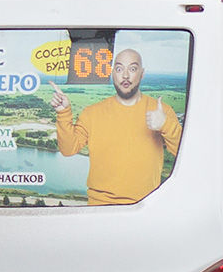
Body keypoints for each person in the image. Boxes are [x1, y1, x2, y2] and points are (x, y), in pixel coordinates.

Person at [51, 47, 182, 205]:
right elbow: (68, 149)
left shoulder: (162, 111)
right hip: (100, 209)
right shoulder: (91, 113)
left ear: (142, 73)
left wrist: (165, 125)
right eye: (119, 69)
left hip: (147, 207)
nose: (125, 75)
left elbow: (185, 156)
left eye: (132, 69)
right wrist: (63, 112)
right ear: (112, 73)